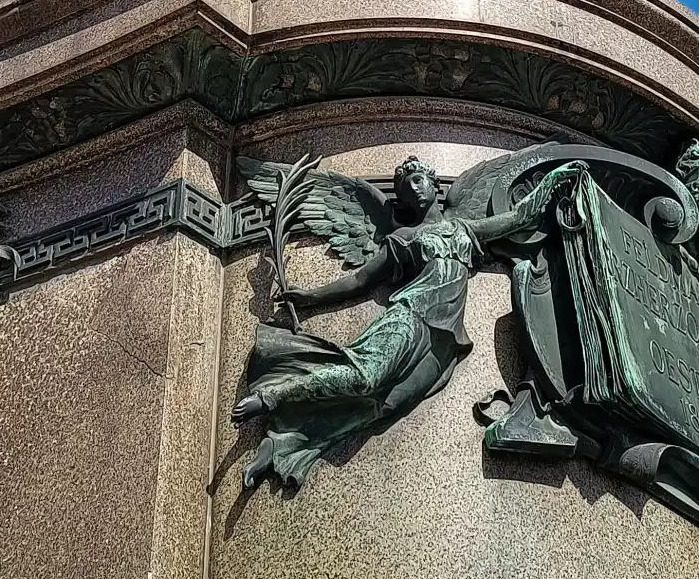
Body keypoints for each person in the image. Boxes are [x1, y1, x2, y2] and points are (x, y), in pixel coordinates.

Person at [233, 154, 580, 491]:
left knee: (385, 404)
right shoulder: (405, 238)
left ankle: (286, 443)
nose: (412, 190)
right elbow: (360, 280)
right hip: (410, 314)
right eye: (403, 188)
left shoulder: (464, 230)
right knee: (366, 376)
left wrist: (554, 178)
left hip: (444, 341)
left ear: (432, 184)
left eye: (417, 180)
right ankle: (273, 396)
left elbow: (521, 216)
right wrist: (311, 297)